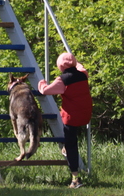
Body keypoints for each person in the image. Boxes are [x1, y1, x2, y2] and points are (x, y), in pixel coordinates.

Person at [38, 52, 92, 188]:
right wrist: (76, 62)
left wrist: (41, 82)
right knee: (71, 139)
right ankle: (66, 148)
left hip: (71, 117)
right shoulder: (83, 75)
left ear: (60, 66)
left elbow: (45, 91)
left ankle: (75, 179)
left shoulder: (62, 80)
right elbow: (80, 67)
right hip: (85, 114)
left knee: (71, 145)